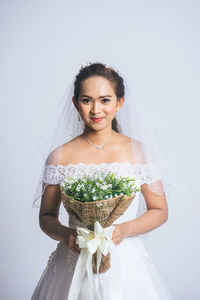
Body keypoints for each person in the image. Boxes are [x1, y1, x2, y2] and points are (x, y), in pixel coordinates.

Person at [31, 62, 173, 299]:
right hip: (73, 259)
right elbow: (46, 217)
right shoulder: (60, 156)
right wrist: (66, 235)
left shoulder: (138, 152)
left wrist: (124, 230)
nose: (96, 109)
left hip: (124, 260)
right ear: (76, 103)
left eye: (105, 100)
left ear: (119, 102)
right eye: (87, 100)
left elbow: (159, 210)